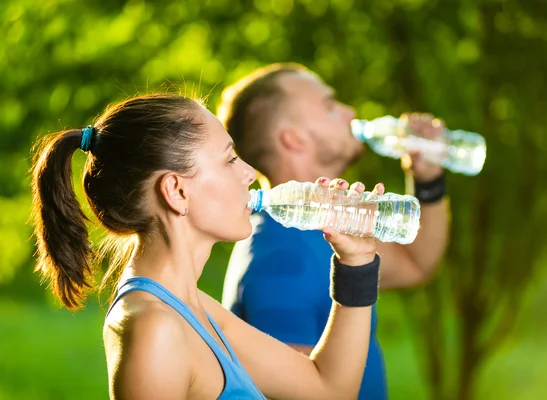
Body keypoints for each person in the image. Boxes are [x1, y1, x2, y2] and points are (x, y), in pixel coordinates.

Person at [30, 93, 390, 399]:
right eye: (230, 158)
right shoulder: (154, 330)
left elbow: (329, 389)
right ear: (177, 191)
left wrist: (356, 261)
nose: (250, 172)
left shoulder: (194, 307)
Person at [219, 63, 450, 399]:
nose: (349, 112)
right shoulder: (280, 259)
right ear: (293, 138)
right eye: (330, 106)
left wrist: (428, 179)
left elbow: (417, 264)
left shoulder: (326, 227)